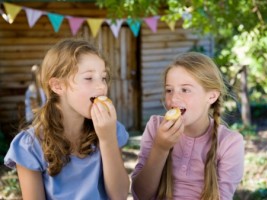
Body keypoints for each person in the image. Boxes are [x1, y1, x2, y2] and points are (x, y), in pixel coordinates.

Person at [4, 38, 130, 200]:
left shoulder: (111, 129)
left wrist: (107, 140)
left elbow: (119, 196)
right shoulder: (29, 146)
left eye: (103, 78)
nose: (101, 86)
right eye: (89, 78)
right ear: (58, 86)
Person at [131, 52, 244, 200]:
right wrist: (160, 148)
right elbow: (140, 194)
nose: (173, 98)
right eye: (169, 90)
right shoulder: (155, 126)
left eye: (185, 90)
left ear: (211, 96)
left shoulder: (229, 143)